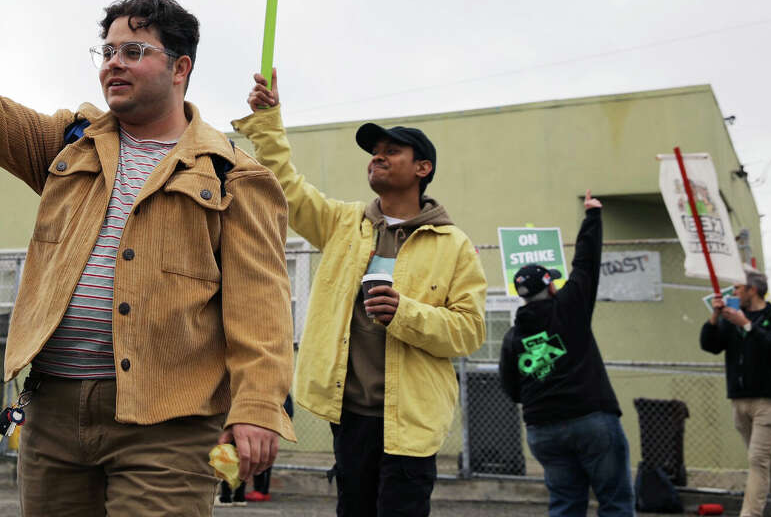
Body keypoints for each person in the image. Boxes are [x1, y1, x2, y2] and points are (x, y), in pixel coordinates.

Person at [0, 0, 296, 517]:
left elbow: (261, 305)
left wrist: (258, 406)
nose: (113, 63)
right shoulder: (68, 143)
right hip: (52, 414)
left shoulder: (234, 176)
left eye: (134, 50)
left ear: (180, 67)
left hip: (169, 426)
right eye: (107, 51)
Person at [233, 70, 487, 517]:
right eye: (374, 153)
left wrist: (404, 313)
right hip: (350, 415)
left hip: (412, 421)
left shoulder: (454, 245)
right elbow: (284, 187)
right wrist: (269, 120)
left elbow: (469, 331)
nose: (377, 157)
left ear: (422, 168)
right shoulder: (343, 224)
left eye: (392, 151)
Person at [498, 191, 633, 517]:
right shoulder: (570, 307)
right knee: (614, 503)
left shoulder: (513, 337)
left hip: (542, 429)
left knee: (566, 506)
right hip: (591, 419)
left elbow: (511, 388)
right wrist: (592, 216)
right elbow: (586, 263)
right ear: (552, 286)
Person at [701, 271, 771, 517]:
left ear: (752, 290)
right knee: (763, 461)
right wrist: (715, 318)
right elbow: (710, 346)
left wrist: (748, 326)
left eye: (737, 288)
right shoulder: (730, 320)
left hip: (770, 400)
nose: (733, 294)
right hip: (740, 399)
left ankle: (749, 514)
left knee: (757, 459)